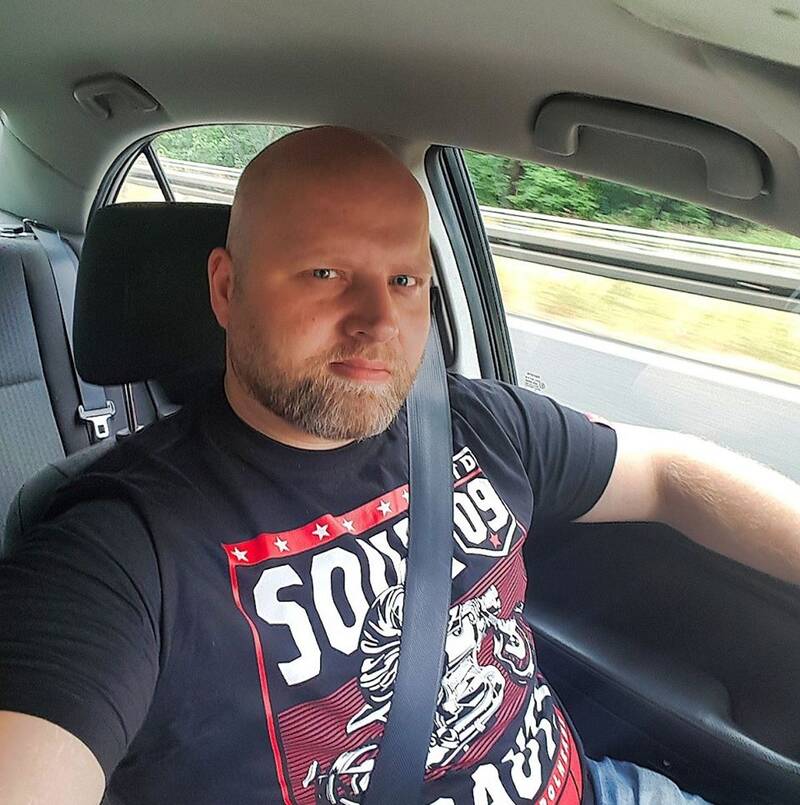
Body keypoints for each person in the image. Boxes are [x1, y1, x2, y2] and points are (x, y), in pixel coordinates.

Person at [0, 126, 798, 805]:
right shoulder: (117, 547)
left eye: (406, 280)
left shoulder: (474, 421)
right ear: (226, 287)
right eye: (326, 273)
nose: (379, 320)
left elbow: (665, 470)